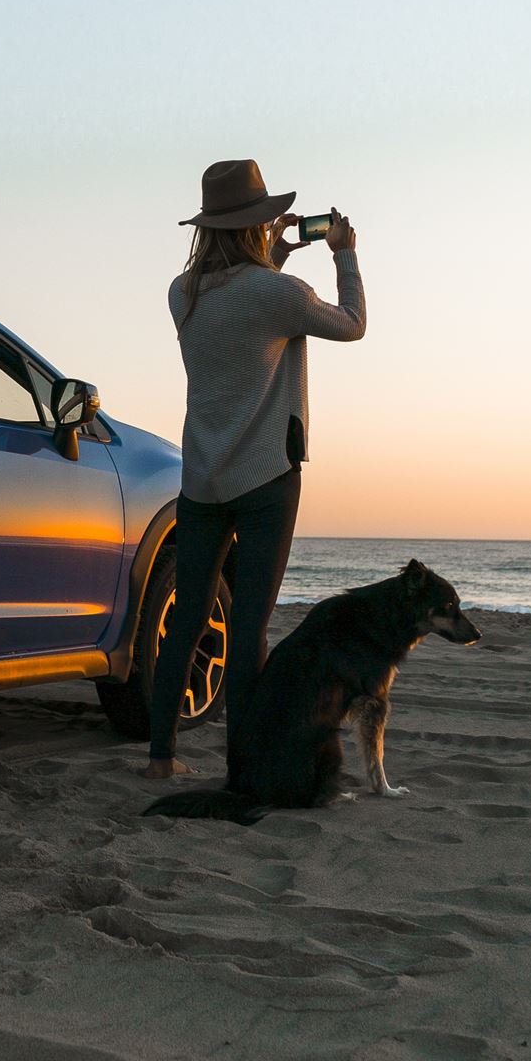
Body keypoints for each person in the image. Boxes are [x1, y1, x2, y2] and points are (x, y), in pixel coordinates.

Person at [142, 159, 364, 782]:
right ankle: (242, 767)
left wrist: (276, 256)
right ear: (257, 224)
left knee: (187, 619)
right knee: (248, 630)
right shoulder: (278, 295)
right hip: (266, 476)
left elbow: (244, 309)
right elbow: (352, 324)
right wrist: (344, 253)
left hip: (201, 478)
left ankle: (160, 756)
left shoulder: (181, 294)